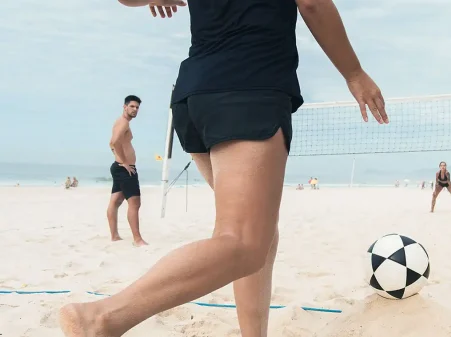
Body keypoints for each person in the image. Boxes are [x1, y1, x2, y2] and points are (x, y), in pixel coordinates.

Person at [59, 0, 388, 336]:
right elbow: (312, 3)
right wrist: (353, 72)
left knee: (259, 233)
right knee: (243, 241)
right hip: (249, 86)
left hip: (195, 94)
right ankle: (101, 318)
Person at [106, 95, 148, 246]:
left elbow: (112, 143)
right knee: (135, 203)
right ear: (125, 107)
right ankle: (137, 239)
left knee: (116, 202)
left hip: (119, 167)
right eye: (132, 106)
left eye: (137, 107)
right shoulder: (123, 123)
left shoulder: (122, 123)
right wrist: (124, 162)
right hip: (125, 169)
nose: (135, 109)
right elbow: (115, 142)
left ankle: (114, 236)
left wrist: (119, 159)